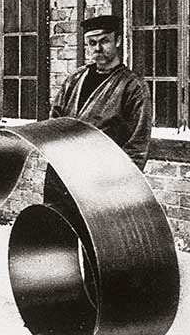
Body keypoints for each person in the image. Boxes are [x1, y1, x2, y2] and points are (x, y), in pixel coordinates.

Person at [45, 14, 153, 208]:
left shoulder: (133, 86)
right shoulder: (75, 79)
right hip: (63, 174)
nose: (98, 48)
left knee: (96, 237)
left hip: (102, 181)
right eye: (92, 43)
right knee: (58, 230)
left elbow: (138, 145)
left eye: (104, 41)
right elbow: (55, 122)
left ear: (118, 41)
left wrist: (119, 185)